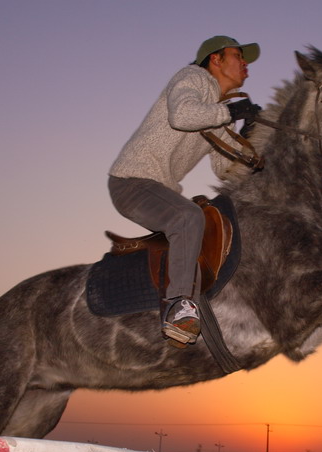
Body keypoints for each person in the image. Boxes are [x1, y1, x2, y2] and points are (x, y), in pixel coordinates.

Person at [108, 36, 261, 347]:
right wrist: (230, 114)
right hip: (131, 182)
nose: (245, 64)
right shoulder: (192, 77)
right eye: (238, 56)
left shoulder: (216, 110)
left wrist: (249, 140)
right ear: (215, 60)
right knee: (188, 217)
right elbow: (183, 115)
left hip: (157, 188)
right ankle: (179, 306)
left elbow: (224, 169)